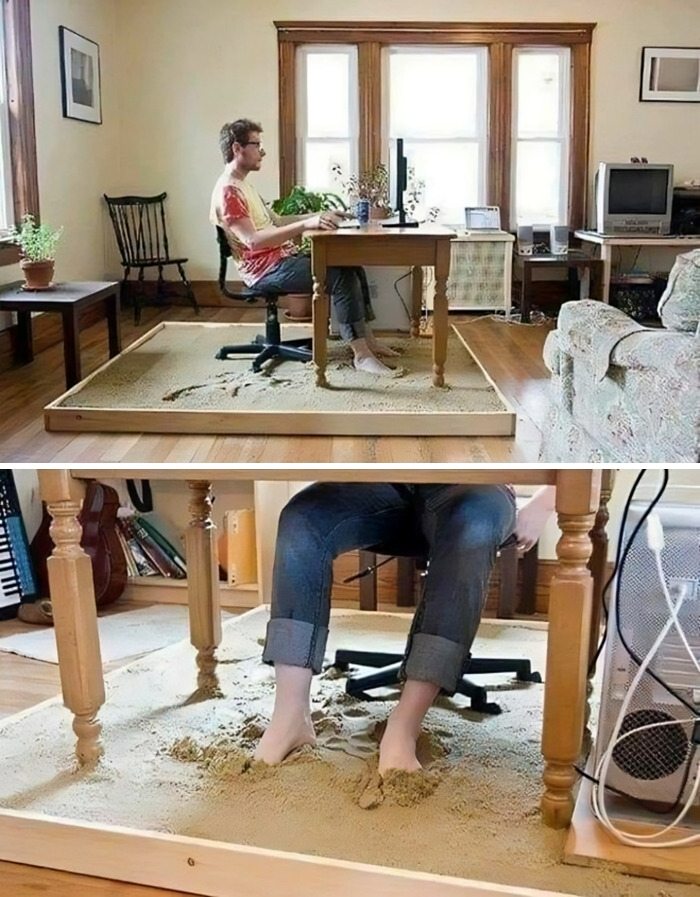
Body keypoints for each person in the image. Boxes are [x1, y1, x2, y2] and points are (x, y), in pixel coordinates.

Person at [254, 482, 556, 773]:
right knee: (302, 517)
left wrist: (545, 500)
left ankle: (404, 726)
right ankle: (290, 715)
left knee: (472, 525)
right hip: (383, 483)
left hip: (475, 488)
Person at [210, 119, 397, 375]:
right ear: (237, 148)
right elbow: (252, 241)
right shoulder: (229, 191)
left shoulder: (242, 185)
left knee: (350, 263)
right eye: (257, 145)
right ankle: (361, 356)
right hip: (265, 270)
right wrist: (305, 225)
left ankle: (368, 341)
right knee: (340, 276)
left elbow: (277, 222)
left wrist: (320, 214)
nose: (262, 151)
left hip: (280, 259)